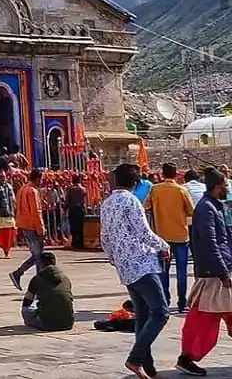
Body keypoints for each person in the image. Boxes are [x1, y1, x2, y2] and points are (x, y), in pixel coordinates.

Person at [100, 162, 170, 379]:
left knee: (143, 314)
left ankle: (146, 365)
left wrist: (115, 258)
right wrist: (164, 246)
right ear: (136, 182)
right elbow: (144, 233)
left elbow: (104, 238)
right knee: (160, 312)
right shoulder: (131, 201)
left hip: (125, 266)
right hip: (142, 264)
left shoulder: (107, 203)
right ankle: (135, 358)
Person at [176, 168, 232, 377]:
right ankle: (186, 358)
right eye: (225, 185)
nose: (227, 188)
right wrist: (222, 272)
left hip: (221, 269)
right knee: (203, 319)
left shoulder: (215, 207)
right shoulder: (206, 209)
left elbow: (223, 239)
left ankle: (187, 357)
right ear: (218, 187)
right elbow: (210, 243)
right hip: (213, 274)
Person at [145, 162, 194, 313]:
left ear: (162, 174)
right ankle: (181, 302)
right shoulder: (181, 190)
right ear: (176, 174)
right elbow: (192, 210)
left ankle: (165, 300)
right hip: (181, 236)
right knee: (181, 271)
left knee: (163, 271)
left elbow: (145, 206)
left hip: (162, 237)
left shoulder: (155, 189)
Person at [10, 169, 45, 291]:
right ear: (37, 178)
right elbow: (36, 211)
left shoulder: (21, 190)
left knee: (37, 254)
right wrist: (41, 228)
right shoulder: (32, 191)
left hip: (24, 224)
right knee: (39, 255)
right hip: (32, 226)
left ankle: (20, 274)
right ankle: (20, 273)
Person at [20, 251, 75, 331]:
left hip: (46, 324)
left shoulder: (37, 279)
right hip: (68, 323)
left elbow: (27, 302)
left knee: (26, 310)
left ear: (41, 264)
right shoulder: (65, 278)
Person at [0, 170, 17, 258]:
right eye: (0, 177)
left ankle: (8, 249)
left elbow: (13, 199)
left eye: (3, 177)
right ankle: (5, 251)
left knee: (12, 232)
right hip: (0, 215)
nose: (2, 179)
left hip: (10, 214)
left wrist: (16, 208)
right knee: (2, 234)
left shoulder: (9, 187)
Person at [65, 175, 87, 251]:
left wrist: (65, 209)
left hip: (73, 209)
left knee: (73, 226)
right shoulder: (83, 189)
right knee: (80, 226)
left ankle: (74, 243)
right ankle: (81, 242)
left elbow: (67, 200)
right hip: (81, 209)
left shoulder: (70, 189)